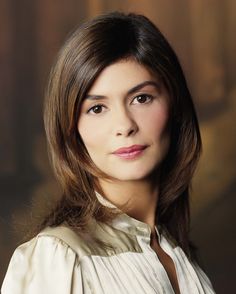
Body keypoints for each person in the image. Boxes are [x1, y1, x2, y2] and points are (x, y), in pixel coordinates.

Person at [1, 11, 215, 294]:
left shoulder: (186, 264)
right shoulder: (59, 259)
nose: (125, 126)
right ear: (71, 130)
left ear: (174, 106)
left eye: (141, 98)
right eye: (97, 108)